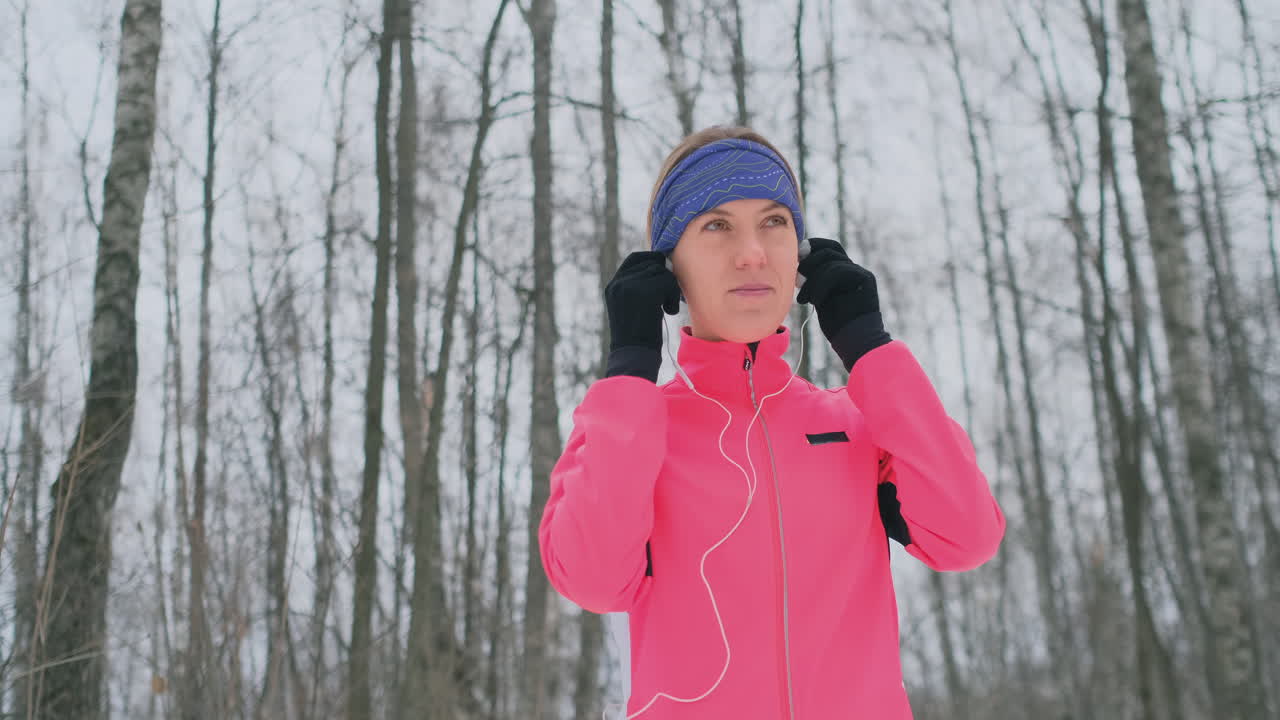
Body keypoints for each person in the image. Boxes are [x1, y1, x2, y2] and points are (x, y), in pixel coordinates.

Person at [538, 125, 1006, 719]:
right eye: (716, 225)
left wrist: (869, 347)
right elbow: (593, 578)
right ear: (669, 267)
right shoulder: (634, 427)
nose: (753, 251)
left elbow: (966, 536)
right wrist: (629, 368)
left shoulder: (856, 422)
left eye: (774, 223)